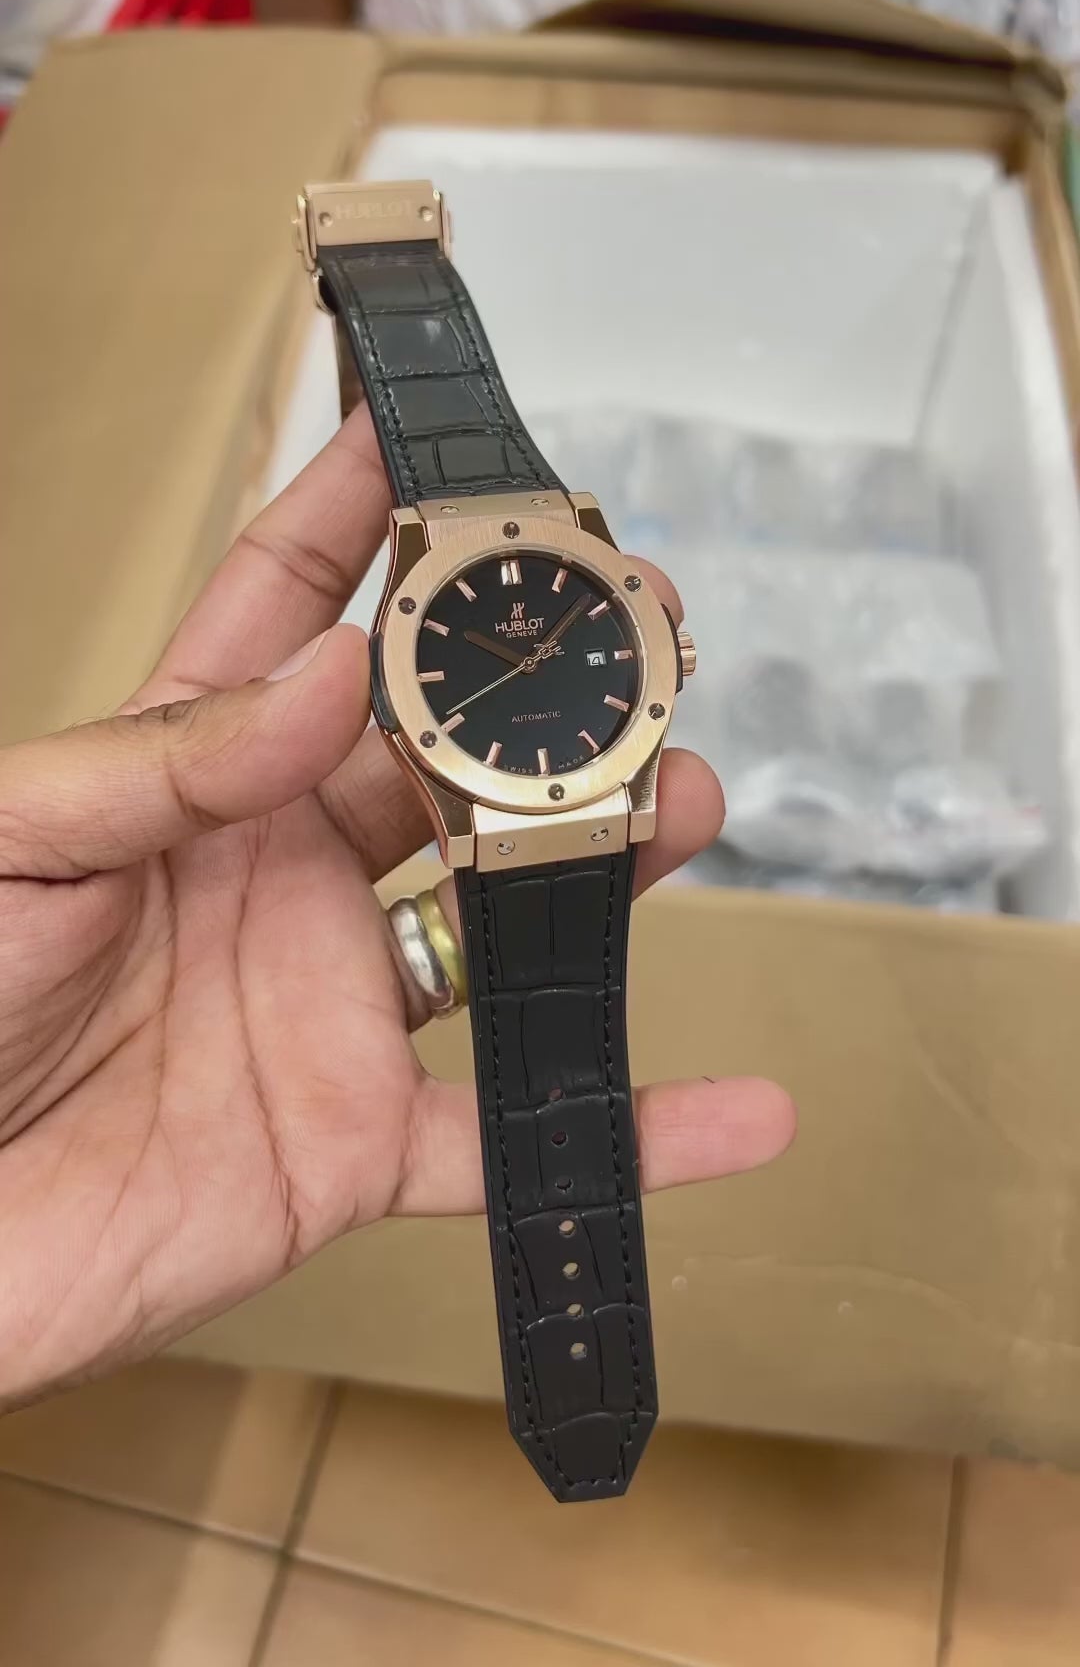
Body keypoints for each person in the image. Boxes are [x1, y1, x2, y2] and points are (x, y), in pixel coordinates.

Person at [0, 404, 796, 1411]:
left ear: (661, 661)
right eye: (513, 662)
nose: (529, 664)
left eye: (543, 657)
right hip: (513, 798)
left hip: (594, 786)